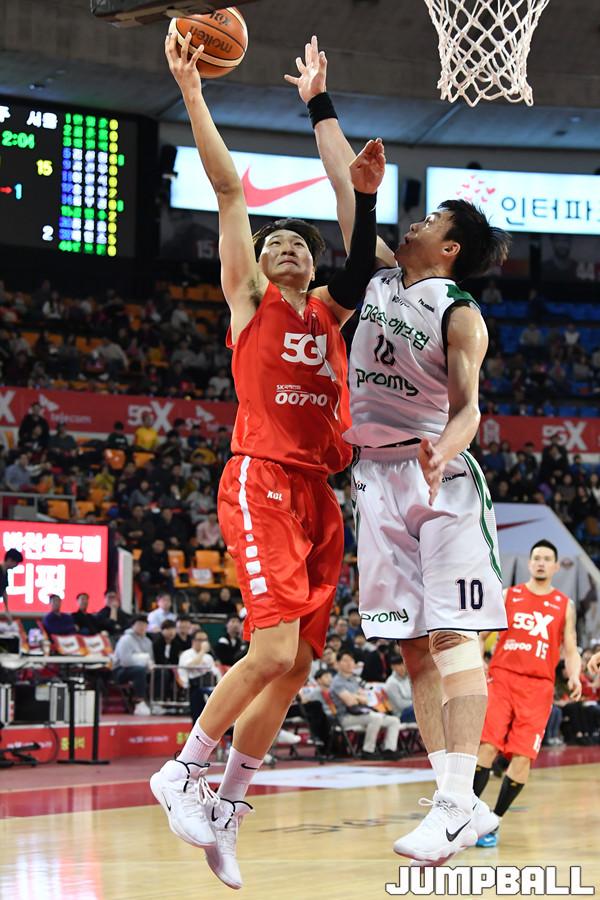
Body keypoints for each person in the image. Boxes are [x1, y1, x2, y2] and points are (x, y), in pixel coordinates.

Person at [151, 30, 385, 891]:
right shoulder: (250, 301)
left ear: (313, 267)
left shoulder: (332, 311)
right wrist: (193, 91)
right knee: (271, 642)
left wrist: (361, 185)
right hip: (261, 477)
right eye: (274, 240)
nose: (286, 246)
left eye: (298, 244)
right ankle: (182, 769)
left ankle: (226, 808)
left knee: (296, 665)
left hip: (320, 496)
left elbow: (362, 259)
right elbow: (226, 188)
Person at [287, 35, 510, 865]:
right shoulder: (376, 276)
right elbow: (345, 175)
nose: (414, 222)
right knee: (413, 644)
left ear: (449, 250)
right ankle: (458, 803)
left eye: (432, 221)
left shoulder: (460, 312)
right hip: (374, 479)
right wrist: (319, 101)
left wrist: (446, 451)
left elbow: (470, 407)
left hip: (435, 476)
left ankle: (455, 802)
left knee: (453, 635)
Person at [473, 539, 582, 847]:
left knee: (523, 756)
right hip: (502, 678)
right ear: (529, 562)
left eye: (547, 558)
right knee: (487, 746)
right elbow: (480, 635)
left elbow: (570, 648)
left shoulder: (564, 605)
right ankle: (464, 816)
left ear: (556, 566)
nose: (541, 562)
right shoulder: (509, 595)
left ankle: (493, 822)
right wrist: (479, 661)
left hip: (539, 687)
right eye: (537, 558)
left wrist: (574, 675)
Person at [330, 650, 401, 760]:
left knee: (394, 721)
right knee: (375, 718)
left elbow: (366, 698)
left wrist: (355, 696)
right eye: (345, 660)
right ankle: (367, 751)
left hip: (361, 713)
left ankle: (389, 750)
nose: (349, 663)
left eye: (351, 660)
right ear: (338, 663)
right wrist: (358, 697)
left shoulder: (354, 679)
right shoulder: (337, 682)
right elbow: (350, 702)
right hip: (345, 717)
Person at [113, 614, 154, 715]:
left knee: (157, 672)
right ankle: (139, 702)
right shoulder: (126, 639)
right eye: (139, 624)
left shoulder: (148, 641)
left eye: (144, 625)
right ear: (133, 625)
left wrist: (148, 664)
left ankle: (156, 702)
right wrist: (143, 660)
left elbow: (150, 659)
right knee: (139, 671)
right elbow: (125, 661)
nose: (142, 627)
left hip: (140, 669)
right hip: (120, 670)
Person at [178, 630, 221, 721]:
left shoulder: (208, 657)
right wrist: (202, 651)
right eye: (200, 640)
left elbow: (214, 672)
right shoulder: (187, 654)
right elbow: (190, 665)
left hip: (208, 686)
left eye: (205, 640)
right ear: (193, 641)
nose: (203, 643)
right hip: (192, 687)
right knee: (197, 715)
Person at [385, 655, 416, 722]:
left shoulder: (407, 677)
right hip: (401, 714)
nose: (402, 667)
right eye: (399, 665)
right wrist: (417, 703)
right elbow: (400, 705)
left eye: (403, 664)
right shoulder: (391, 683)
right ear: (393, 667)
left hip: (412, 707)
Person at [0, 549, 24, 622]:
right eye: (16, 563)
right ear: (9, 560)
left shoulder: (5, 572)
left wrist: (7, 609)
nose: (16, 566)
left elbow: (4, 591)